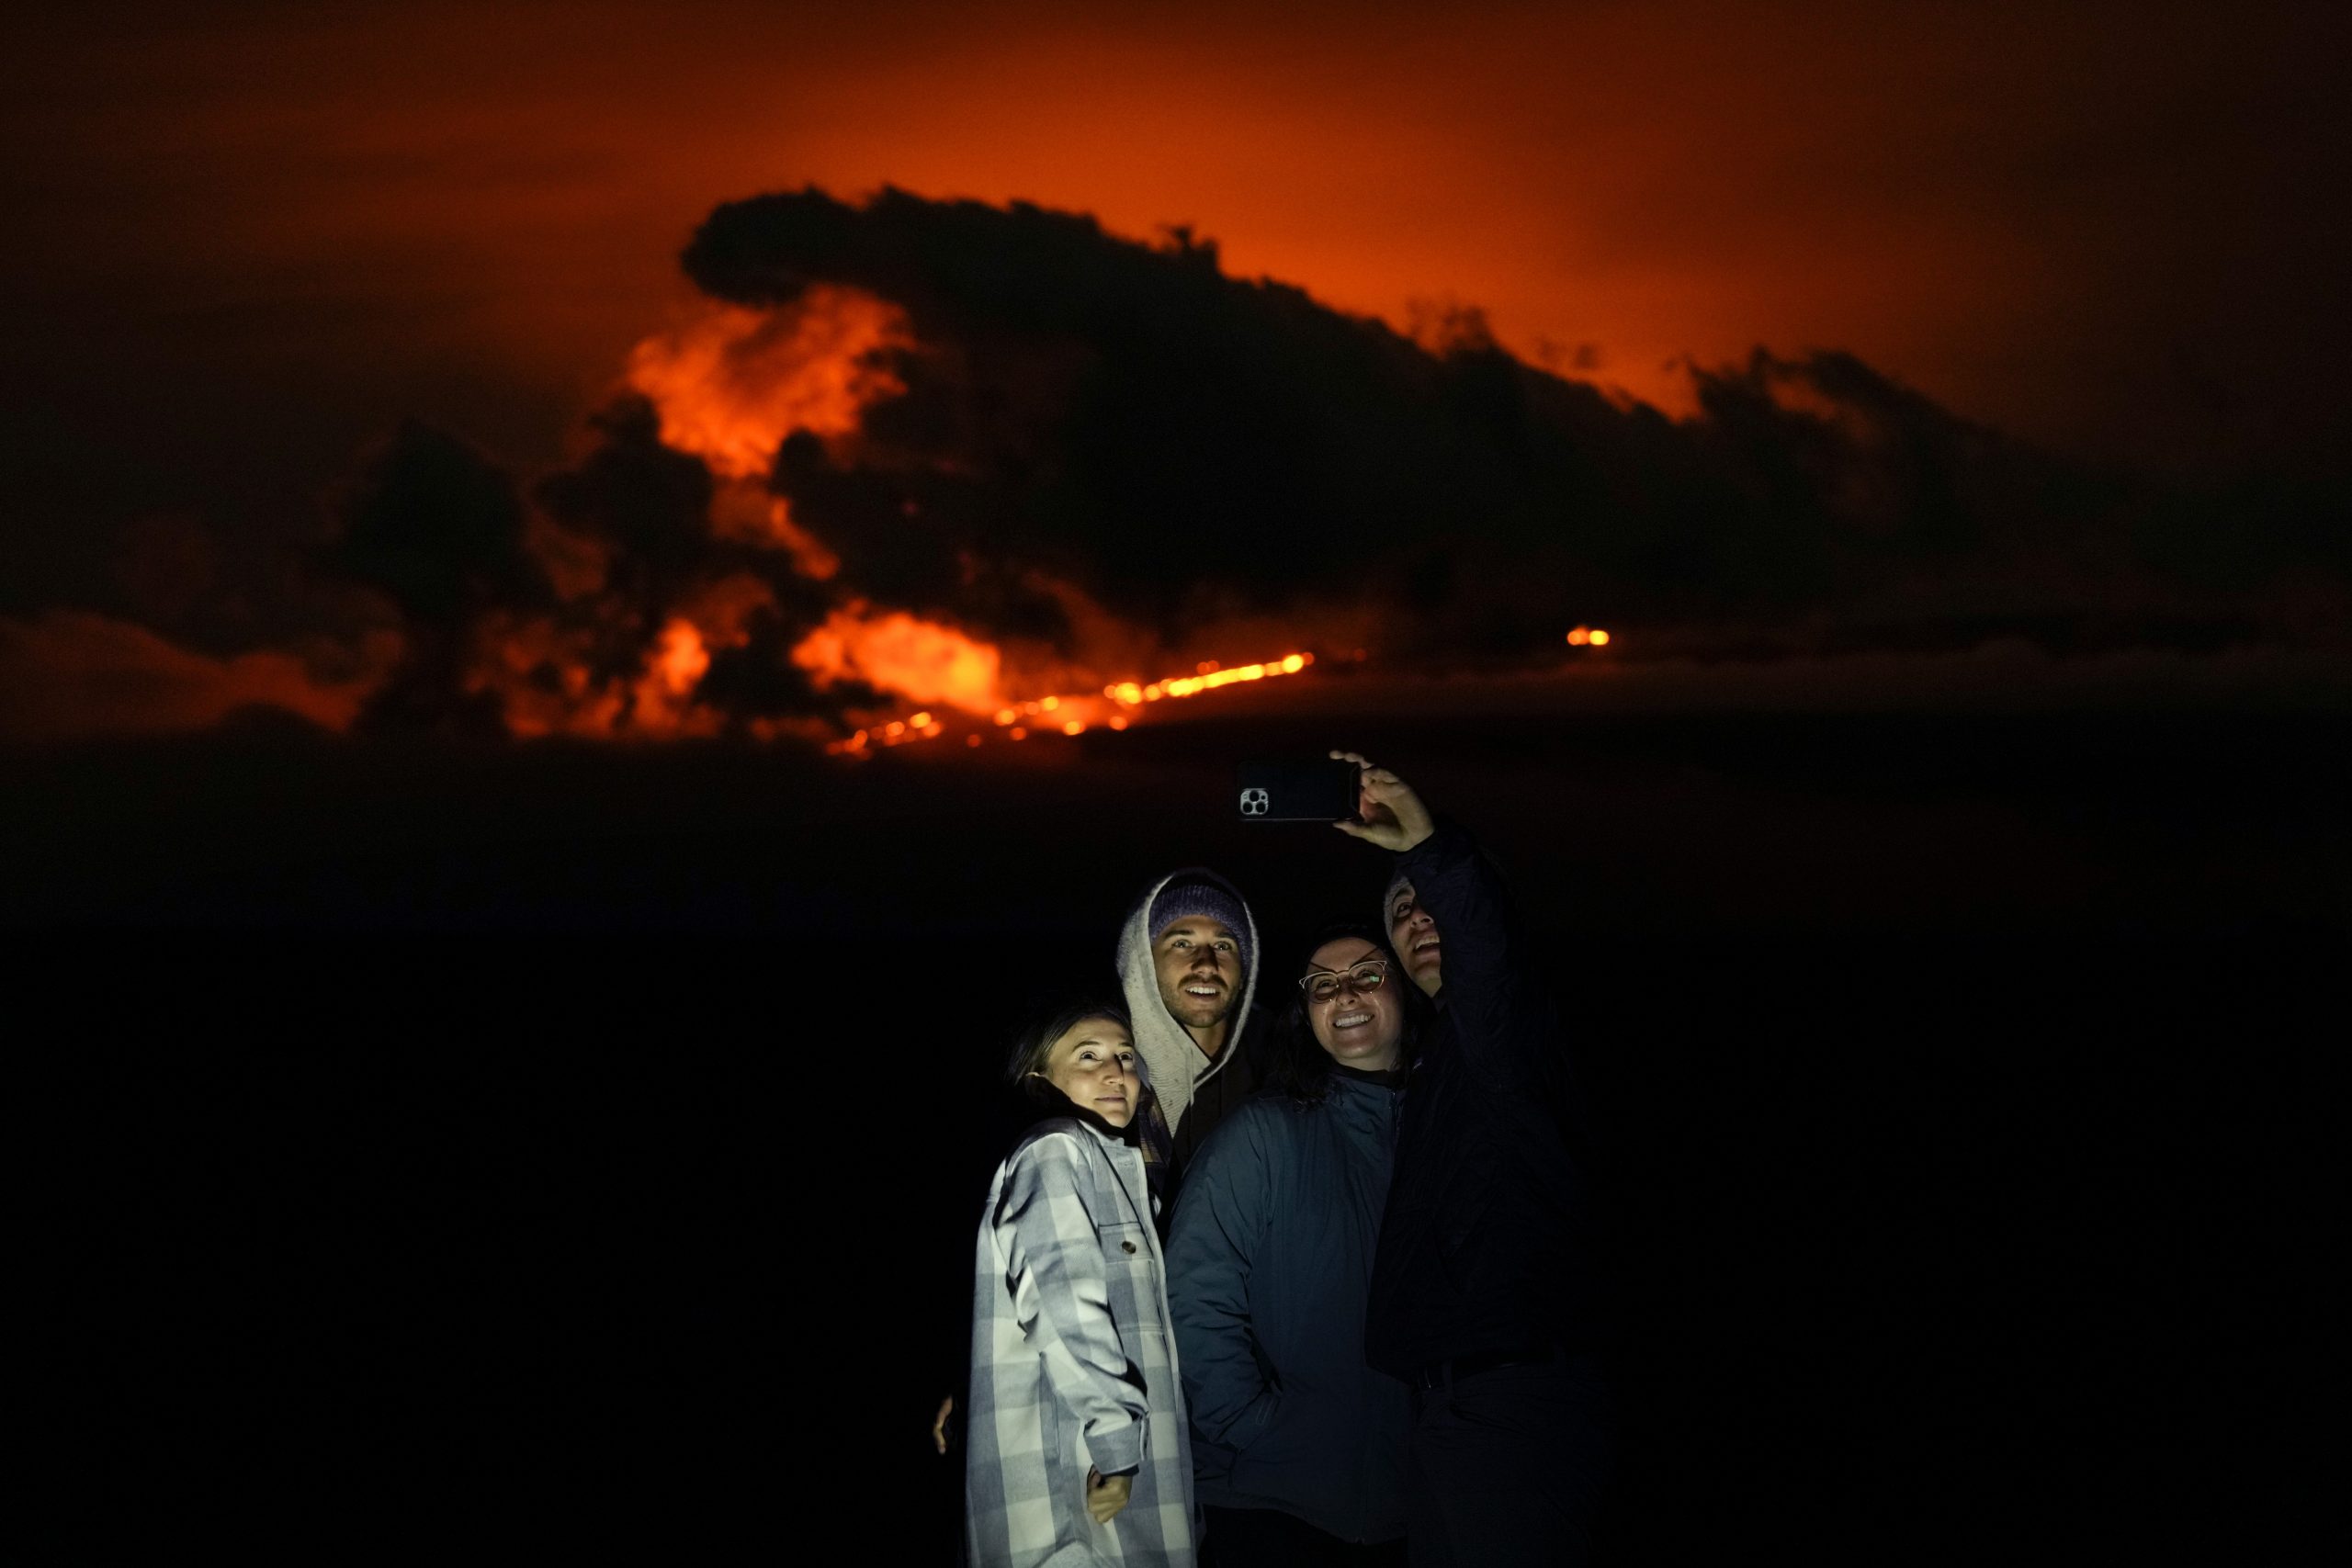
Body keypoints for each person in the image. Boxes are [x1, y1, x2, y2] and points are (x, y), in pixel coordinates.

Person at [1332, 752, 1612, 1567]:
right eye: (1400, 909)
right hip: (1456, 1410)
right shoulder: (1444, 1059)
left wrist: (1431, 847)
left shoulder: (1511, 1025)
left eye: (1435, 903)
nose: (1421, 918)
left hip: (1514, 1405)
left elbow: (1492, 965)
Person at [1167, 925, 1417, 1565]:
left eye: (1368, 973)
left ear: (1405, 992)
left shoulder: (1446, 1141)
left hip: (1413, 1506)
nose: (1346, 993)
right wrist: (1251, 1424)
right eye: (1323, 985)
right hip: (1268, 1502)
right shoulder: (1265, 1133)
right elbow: (1194, 1287)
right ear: (1306, 1015)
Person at [966, 1000, 1198, 1568]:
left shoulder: (1114, 1167)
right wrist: (1117, 1446)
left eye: (1124, 1056)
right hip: (1074, 1494)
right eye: (1088, 1056)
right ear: (1039, 1080)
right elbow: (1063, 1301)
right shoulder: (1056, 1150)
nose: (1116, 1072)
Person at [1114, 871, 1268, 1210]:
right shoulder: (1104, 1080)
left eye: (1223, 945)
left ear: (1246, 971)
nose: (1206, 964)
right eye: (1182, 943)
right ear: (1144, 960)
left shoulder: (1285, 1073)